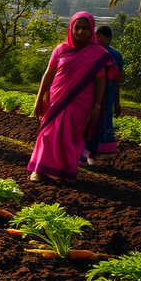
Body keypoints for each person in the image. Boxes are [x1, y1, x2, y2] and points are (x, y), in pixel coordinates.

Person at [27, 12, 117, 183]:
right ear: (71, 28)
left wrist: (97, 106)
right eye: (77, 28)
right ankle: (39, 170)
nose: (80, 32)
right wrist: (39, 98)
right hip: (57, 98)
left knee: (72, 136)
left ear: (91, 30)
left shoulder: (98, 53)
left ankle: (66, 172)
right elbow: (49, 74)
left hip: (82, 102)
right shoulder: (61, 49)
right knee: (47, 133)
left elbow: (101, 81)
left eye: (85, 28)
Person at [83, 25, 126, 163]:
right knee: (86, 120)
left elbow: (118, 79)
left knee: (100, 121)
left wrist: (117, 102)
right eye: (95, 36)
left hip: (107, 94)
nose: (96, 39)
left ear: (109, 38)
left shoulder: (115, 55)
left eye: (100, 37)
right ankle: (83, 152)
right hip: (90, 92)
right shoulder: (90, 51)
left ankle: (92, 154)